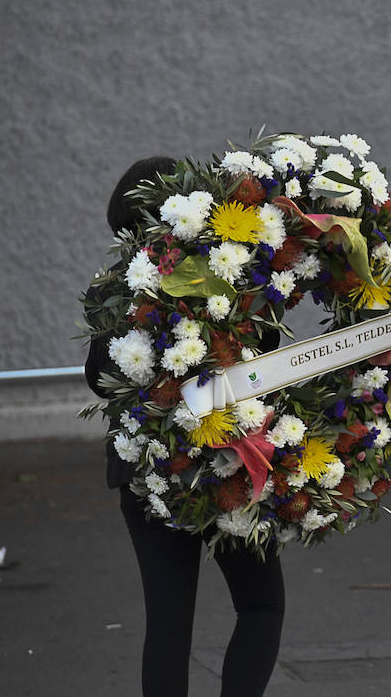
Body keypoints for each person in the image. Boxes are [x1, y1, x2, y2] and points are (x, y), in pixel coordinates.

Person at [84, 157, 286, 697]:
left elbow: (98, 373)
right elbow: (266, 356)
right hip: (227, 464)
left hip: (149, 471)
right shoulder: (230, 279)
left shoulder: (119, 293)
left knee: (169, 626)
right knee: (261, 605)